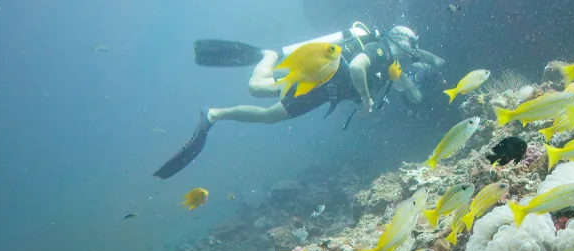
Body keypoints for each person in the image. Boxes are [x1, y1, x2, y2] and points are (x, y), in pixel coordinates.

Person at [154, 24, 446, 179]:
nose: (414, 49)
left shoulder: (391, 63)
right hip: (321, 79)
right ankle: (268, 56)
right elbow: (357, 67)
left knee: (269, 114)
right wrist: (368, 98)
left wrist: (416, 87)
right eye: (412, 43)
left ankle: (213, 114)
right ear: (396, 38)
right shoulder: (380, 49)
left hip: (325, 90)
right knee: (257, 88)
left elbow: (406, 87)